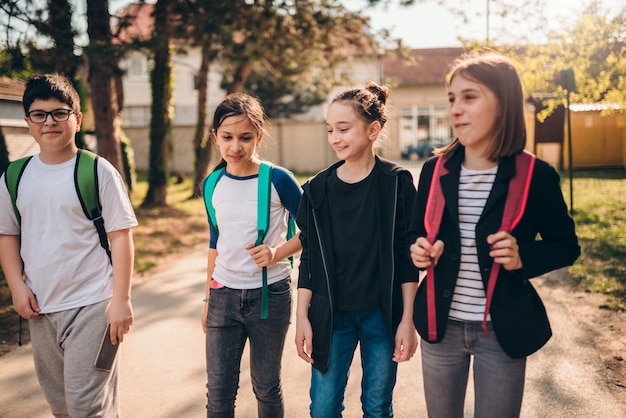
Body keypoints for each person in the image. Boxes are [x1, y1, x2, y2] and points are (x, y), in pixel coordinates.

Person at [408, 52, 580, 417]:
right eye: (452, 98)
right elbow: (414, 233)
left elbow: (566, 246)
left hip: (502, 333)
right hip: (441, 328)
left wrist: (523, 257)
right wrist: (418, 250)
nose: (455, 109)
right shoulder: (433, 170)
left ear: (503, 104)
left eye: (469, 97)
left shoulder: (537, 176)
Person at [0, 74, 138, 416]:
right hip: (41, 309)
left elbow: (121, 236)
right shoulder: (14, 177)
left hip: (94, 305)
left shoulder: (98, 170)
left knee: (85, 407)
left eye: (60, 113)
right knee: (62, 404)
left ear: (77, 119)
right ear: (27, 121)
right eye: (39, 114)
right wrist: (17, 287)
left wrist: (120, 300)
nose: (50, 122)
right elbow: (7, 235)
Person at [295, 81, 419, 418]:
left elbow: (407, 259)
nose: (334, 137)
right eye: (330, 129)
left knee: (377, 407)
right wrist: (301, 317)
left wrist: (408, 319)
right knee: (323, 408)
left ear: (373, 129)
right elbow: (308, 258)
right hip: (330, 317)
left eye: (344, 128)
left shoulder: (396, 184)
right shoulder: (317, 189)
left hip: (382, 314)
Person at [200, 92, 303, 418]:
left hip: (270, 296)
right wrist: (207, 301)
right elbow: (215, 242)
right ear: (215, 136)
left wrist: (277, 253)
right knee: (218, 392)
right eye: (227, 137)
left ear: (259, 136)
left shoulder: (278, 179)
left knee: (266, 385)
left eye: (245, 138)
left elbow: (316, 230)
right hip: (222, 297)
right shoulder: (212, 183)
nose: (235, 147)